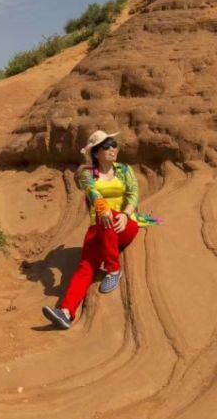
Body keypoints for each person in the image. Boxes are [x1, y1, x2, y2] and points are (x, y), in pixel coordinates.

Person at [42, 129, 141, 330]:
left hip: (125, 225)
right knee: (86, 266)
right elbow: (92, 192)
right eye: (107, 146)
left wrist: (124, 214)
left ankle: (114, 269)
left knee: (110, 217)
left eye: (114, 144)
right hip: (99, 227)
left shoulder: (124, 170)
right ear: (95, 153)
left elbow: (133, 194)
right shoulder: (87, 174)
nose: (113, 148)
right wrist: (103, 208)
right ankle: (66, 312)